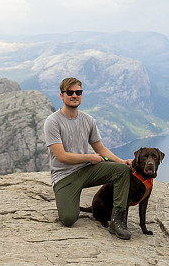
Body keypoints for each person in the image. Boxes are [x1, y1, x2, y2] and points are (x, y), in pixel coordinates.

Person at [43, 77, 133, 240]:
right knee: (69, 219)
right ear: (62, 96)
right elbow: (62, 156)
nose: (74, 95)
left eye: (78, 92)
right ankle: (70, 200)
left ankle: (118, 221)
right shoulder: (53, 122)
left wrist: (122, 162)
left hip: (87, 170)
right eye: (70, 92)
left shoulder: (88, 120)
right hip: (64, 177)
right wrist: (90, 157)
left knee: (122, 171)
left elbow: (101, 149)